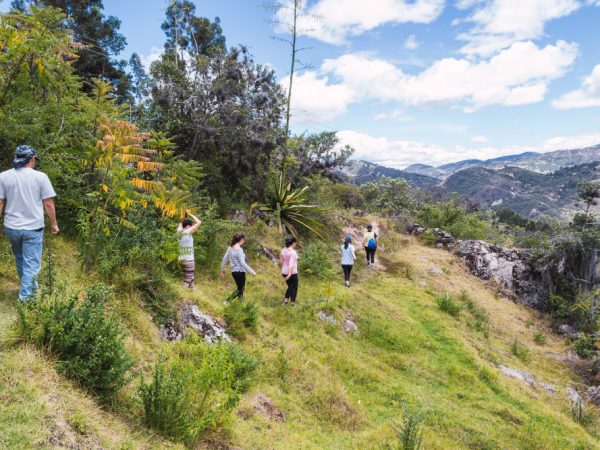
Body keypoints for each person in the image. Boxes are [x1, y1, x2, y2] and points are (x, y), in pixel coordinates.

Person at [0, 146, 59, 301]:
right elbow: (48, 203)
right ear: (32, 159)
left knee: (20, 259)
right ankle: (27, 300)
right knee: (32, 263)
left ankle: (27, 287)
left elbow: (0, 202)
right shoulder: (41, 177)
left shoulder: (4, 176)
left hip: (12, 227)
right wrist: (54, 223)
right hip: (33, 228)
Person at [221, 233, 256, 300]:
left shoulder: (230, 248)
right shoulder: (239, 250)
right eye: (244, 239)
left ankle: (240, 305)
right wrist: (251, 271)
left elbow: (224, 259)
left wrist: (223, 270)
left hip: (234, 272)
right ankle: (227, 301)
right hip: (240, 272)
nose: (244, 241)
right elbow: (242, 263)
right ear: (241, 239)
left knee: (240, 289)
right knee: (240, 289)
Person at [177, 211, 201, 288]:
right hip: (189, 261)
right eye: (191, 226)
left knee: (191, 278)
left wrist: (184, 214)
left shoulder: (178, 231)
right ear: (188, 226)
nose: (194, 228)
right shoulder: (187, 232)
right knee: (187, 282)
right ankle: (182, 295)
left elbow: (180, 222)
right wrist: (190, 214)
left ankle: (193, 290)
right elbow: (199, 222)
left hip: (181, 260)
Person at [280, 236, 299, 306]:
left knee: (290, 286)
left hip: (284, 271)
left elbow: (282, 261)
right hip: (292, 272)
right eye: (295, 243)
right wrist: (290, 274)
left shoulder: (283, 250)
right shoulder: (293, 252)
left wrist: (285, 269)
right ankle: (292, 302)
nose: (295, 244)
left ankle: (285, 301)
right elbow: (291, 264)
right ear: (293, 243)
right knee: (294, 287)